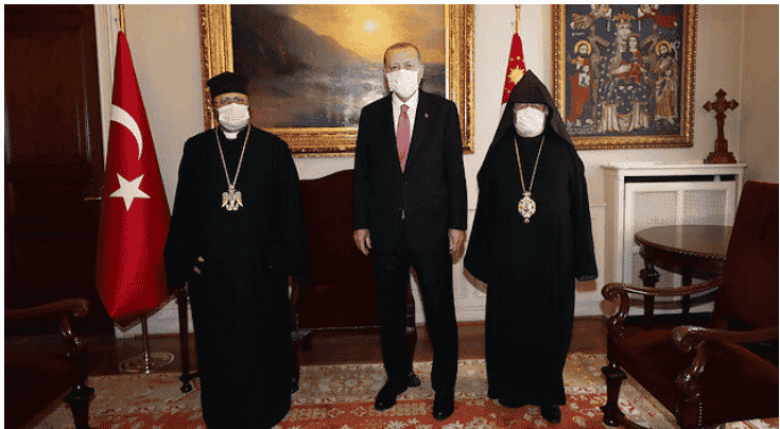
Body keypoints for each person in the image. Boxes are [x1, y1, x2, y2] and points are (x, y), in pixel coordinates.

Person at [164, 71, 308, 429]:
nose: (232, 107)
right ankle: (222, 413)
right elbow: (184, 208)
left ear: (249, 104)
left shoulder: (273, 148)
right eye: (224, 101)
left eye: (238, 100)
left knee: (263, 340)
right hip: (213, 272)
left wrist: (283, 259)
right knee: (219, 344)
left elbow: (290, 209)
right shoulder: (196, 149)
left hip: (263, 270)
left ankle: (269, 407)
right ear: (213, 107)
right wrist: (188, 255)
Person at [464, 70, 598, 424]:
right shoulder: (499, 153)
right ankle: (510, 387)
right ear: (511, 112)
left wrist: (582, 259)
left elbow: (580, 210)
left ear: (548, 111)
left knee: (550, 327)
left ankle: (547, 394)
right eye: (520, 106)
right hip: (509, 260)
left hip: (553, 260)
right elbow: (487, 208)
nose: (527, 112)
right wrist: (483, 256)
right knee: (510, 325)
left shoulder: (564, 154)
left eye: (535, 106)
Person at [352, 42, 467, 421]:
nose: (400, 71)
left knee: (439, 312)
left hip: (431, 229)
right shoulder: (371, 115)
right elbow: (363, 174)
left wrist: (457, 223)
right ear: (384, 73)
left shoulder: (444, 111)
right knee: (389, 312)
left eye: (407, 64)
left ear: (421, 70)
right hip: (385, 230)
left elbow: (455, 173)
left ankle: (444, 386)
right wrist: (360, 222)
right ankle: (397, 378)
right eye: (393, 66)